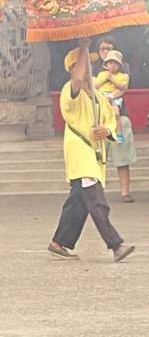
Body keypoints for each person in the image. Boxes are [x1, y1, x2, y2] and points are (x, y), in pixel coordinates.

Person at [49, 45, 134, 262]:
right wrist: (84, 44)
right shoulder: (71, 90)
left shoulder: (97, 95)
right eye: (83, 65)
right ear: (73, 69)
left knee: (78, 202)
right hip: (81, 153)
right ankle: (115, 244)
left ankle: (59, 242)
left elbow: (112, 124)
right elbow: (78, 80)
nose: (88, 69)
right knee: (97, 201)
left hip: (95, 154)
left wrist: (106, 131)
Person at [96, 49, 135, 203]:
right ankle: (97, 193)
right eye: (103, 49)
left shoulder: (123, 75)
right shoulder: (97, 71)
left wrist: (111, 80)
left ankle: (125, 192)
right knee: (98, 159)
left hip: (118, 115)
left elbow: (123, 88)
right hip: (99, 118)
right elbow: (94, 87)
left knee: (122, 158)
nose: (105, 52)